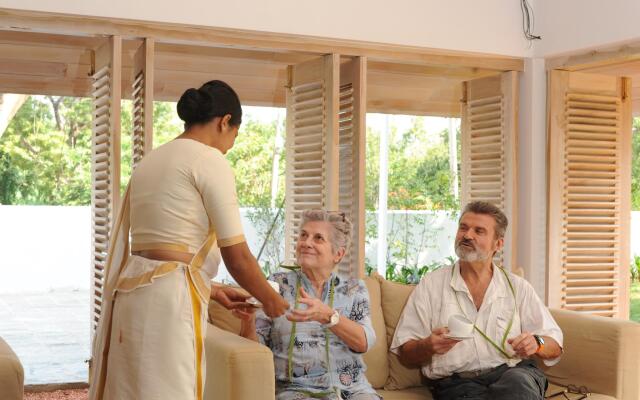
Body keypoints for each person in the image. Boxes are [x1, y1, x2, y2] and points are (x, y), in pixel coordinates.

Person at [89, 80, 290, 400]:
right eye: (234, 136)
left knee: (133, 389)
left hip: (132, 294)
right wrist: (271, 299)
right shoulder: (210, 161)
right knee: (173, 390)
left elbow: (159, 251)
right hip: (171, 301)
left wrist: (215, 290)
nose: (230, 146)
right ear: (225, 122)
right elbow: (236, 256)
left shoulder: (151, 161)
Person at [390, 201, 563, 400]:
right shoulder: (431, 285)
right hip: (458, 385)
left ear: (498, 244)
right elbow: (405, 351)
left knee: (517, 385)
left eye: (479, 231)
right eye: (463, 227)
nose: (467, 235)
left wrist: (537, 343)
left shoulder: (518, 287)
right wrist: (428, 346)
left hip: (513, 374)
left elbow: (555, 345)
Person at [233, 210, 380, 400]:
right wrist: (248, 321)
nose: (306, 243)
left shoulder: (353, 289)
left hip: (353, 390)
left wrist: (328, 316)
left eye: (318, 238)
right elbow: (254, 353)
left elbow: (364, 342)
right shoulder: (277, 286)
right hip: (296, 391)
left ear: (338, 254)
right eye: (303, 235)